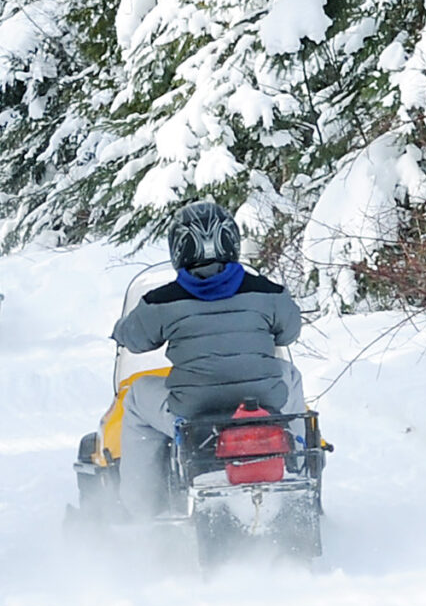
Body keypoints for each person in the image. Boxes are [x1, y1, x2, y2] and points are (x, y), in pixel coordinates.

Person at [110, 199, 305, 517]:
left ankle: (143, 510)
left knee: (135, 398)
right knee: (290, 374)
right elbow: (289, 333)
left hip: (193, 412)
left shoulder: (162, 301)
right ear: (231, 242)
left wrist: (120, 330)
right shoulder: (268, 292)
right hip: (261, 404)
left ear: (178, 248)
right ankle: (296, 465)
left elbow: (135, 339)